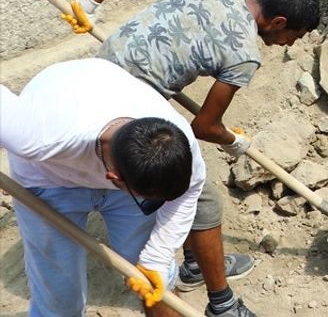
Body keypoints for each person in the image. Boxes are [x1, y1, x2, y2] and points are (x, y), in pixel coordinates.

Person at [59, 0, 322, 317]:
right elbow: (204, 127)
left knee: (179, 187)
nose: (290, 45)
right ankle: (221, 301)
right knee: (199, 195)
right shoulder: (245, 53)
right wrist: (234, 142)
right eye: (294, 36)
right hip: (125, 106)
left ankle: (196, 260)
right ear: (278, 22)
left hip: (98, 70)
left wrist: (89, 2)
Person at [1, 58, 205, 317]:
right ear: (114, 179)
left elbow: (188, 193)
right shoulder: (35, 135)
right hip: (47, 182)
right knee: (59, 297)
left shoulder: (177, 141)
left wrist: (157, 257)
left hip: (112, 141)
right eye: (151, 202)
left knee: (156, 278)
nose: (155, 207)